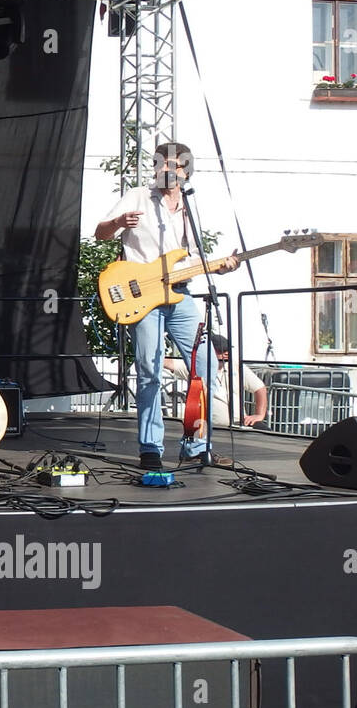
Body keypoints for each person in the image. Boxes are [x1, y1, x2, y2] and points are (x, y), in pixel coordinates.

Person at [94, 141, 239, 470]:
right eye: (159, 163)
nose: (164, 169)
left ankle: (195, 444)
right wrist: (118, 222)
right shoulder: (138, 196)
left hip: (180, 294)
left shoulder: (190, 209)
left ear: (185, 171)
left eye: (171, 164)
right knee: (150, 372)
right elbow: (100, 233)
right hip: (143, 297)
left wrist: (224, 264)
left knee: (204, 367)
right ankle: (150, 447)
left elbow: (192, 256)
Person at [164, 334, 268, 427]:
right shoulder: (197, 366)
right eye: (220, 350)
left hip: (239, 424)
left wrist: (259, 415)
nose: (225, 353)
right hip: (209, 427)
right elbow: (169, 363)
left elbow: (260, 388)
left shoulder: (236, 366)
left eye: (227, 350)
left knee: (265, 431)